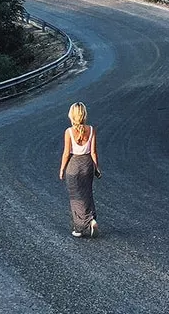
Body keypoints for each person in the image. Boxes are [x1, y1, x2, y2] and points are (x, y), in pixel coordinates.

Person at [58, 101, 101, 237]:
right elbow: (93, 152)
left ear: (72, 115)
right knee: (87, 193)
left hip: (74, 165)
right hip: (87, 164)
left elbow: (66, 153)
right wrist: (96, 168)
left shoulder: (69, 132)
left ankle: (80, 227)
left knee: (76, 197)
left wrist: (62, 169)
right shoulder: (92, 129)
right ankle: (92, 219)